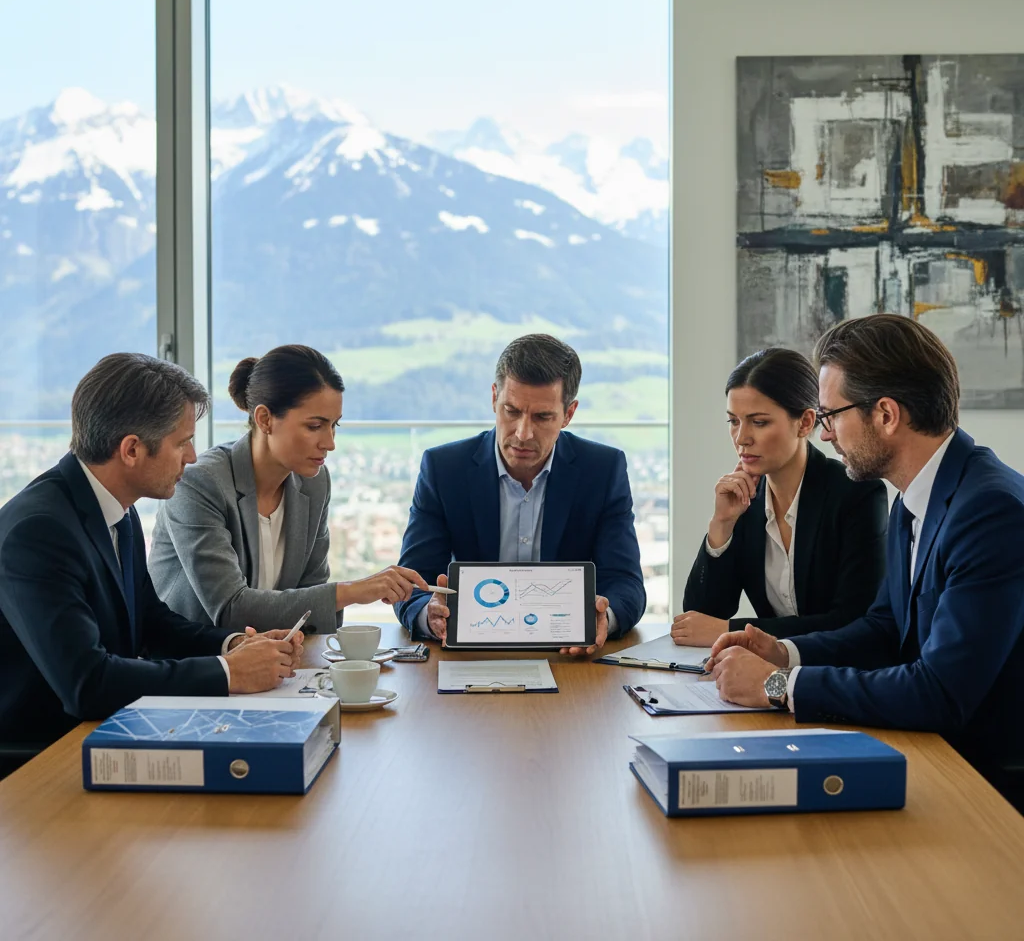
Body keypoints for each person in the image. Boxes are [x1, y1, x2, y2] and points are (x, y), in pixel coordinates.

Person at [705, 314, 1024, 812]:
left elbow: (939, 691)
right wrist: (784, 652)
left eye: (831, 416)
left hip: (985, 783)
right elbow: (884, 626)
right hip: (932, 752)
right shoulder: (915, 496)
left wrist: (778, 687)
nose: (826, 435)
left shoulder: (990, 510)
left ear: (887, 415)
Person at [0, 353, 304, 771]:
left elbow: (150, 620)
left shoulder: (117, 510)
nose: (193, 456)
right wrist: (228, 673)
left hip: (106, 737)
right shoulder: (38, 531)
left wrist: (233, 645)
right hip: (43, 763)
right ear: (131, 449)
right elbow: (86, 683)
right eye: (182, 442)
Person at [394, 334, 646, 655]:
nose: (523, 433)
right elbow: (415, 580)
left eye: (542, 417)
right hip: (469, 654)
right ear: (494, 398)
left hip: (566, 656)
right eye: (511, 411)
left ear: (568, 414)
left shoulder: (603, 469)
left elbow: (626, 583)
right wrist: (428, 616)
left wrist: (603, 619)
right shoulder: (444, 468)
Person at [150, 345, 429, 634]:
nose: (329, 442)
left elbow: (312, 601)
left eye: (334, 425)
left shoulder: (315, 483)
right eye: (314, 426)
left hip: (275, 663)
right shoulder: (201, 483)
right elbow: (231, 609)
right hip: (197, 665)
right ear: (265, 419)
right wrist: (353, 591)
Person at [676, 347, 888, 646]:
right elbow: (701, 616)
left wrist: (734, 631)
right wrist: (722, 524)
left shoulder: (856, 493)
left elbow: (854, 620)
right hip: (763, 674)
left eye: (759, 422)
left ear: (804, 422)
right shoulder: (744, 502)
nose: (741, 438)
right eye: (733, 421)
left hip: (838, 675)